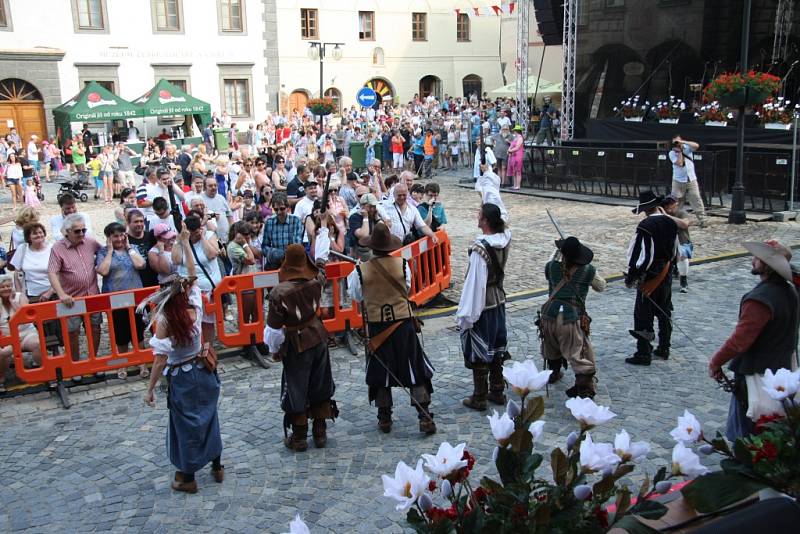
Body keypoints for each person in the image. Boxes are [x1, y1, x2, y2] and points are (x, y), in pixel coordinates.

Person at [141, 230, 224, 494]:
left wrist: (150, 389)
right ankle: (217, 466)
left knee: (186, 425)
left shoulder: (166, 321)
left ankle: (187, 477)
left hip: (184, 378)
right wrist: (185, 243)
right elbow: (192, 272)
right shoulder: (195, 305)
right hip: (204, 371)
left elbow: (159, 359)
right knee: (209, 417)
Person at [347, 222, 437, 435]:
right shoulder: (403, 264)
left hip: (378, 327)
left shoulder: (360, 270)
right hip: (403, 324)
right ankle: (424, 416)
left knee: (381, 372)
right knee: (414, 370)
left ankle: (384, 418)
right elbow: (406, 288)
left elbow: (356, 296)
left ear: (372, 247)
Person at [708, 240, 799, 440]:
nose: (753, 260)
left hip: (758, 375)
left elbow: (740, 341)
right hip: (782, 370)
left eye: (758, 257)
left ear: (767, 264)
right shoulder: (789, 291)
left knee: (749, 435)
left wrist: (716, 361)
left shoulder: (760, 299)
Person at [264, 241, 338, 451]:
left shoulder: (279, 293)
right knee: (320, 381)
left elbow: (273, 330)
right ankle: (320, 432)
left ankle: (299, 438)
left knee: (296, 386)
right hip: (318, 337)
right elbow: (321, 272)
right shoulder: (316, 282)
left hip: (296, 343)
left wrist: (275, 349)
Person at [457, 203, 512, 410]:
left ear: (485, 221)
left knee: (480, 348)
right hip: (498, 299)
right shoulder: (504, 238)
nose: (476, 217)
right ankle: (497, 390)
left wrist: (467, 316)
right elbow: (505, 222)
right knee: (496, 346)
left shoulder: (480, 250)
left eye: (479, 215)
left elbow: (475, 285)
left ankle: (480, 396)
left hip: (484, 303)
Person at [539, 236, 607, 399]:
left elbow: (549, 272)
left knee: (551, 345)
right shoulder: (588, 270)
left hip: (548, 315)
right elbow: (601, 286)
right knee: (578, 353)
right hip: (568, 318)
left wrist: (557, 254)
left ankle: (554, 372)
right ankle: (585, 390)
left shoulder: (551, 266)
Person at [624, 191, 679, 366]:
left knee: (643, 314)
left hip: (650, 276)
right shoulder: (670, 223)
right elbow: (674, 250)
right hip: (666, 273)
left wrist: (633, 274)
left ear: (646, 209)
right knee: (664, 310)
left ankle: (643, 352)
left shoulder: (645, 226)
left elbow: (641, 255)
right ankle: (664, 347)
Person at [47, 214, 102, 366]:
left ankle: (94, 360)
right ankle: (75, 363)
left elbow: (103, 252)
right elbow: (52, 272)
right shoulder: (57, 248)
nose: (81, 234)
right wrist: (61, 294)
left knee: (95, 328)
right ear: (66, 232)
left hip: (92, 295)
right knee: (72, 332)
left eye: (83, 230)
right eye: (77, 231)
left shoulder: (90, 242)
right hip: (71, 299)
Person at [95, 222, 148, 380]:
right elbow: (103, 271)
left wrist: (129, 248)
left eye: (121, 235)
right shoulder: (103, 253)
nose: (119, 239)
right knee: (121, 334)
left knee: (138, 333)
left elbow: (141, 264)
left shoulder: (132, 250)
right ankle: (123, 363)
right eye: (115, 236)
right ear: (109, 238)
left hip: (135, 298)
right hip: (115, 299)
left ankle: (142, 362)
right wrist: (110, 252)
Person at [172, 215, 221, 343]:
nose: (194, 236)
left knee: (207, 322)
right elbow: (176, 260)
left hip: (207, 289)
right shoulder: (181, 240)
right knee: (190, 321)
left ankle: (207, 348)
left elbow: (212, 254)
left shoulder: (209, 235)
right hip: (187, 289)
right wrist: (181, 239)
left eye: (196, 232)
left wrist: (203, 237)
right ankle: (193, 348)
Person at [0, 274, 43, 393]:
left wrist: (12, 302)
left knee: (37, 343)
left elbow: (27, 316)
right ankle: (1, 379)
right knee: (3, 352)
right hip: (7, 337)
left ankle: (43, 371)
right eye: (2, 287)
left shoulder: (20, 296)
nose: (6, 289)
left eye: (8, 286)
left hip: (26, 333)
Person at [669, 135, 706, 226]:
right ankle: (676, 219)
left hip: (691, 179)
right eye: (675, 142)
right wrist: (680, 151)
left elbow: (696, 146)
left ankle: (702, 220)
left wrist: (683, 142)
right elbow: (680, 163)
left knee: (696, 198)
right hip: (678, 181)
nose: (677, 143)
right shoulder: (672, 153)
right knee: (677, 201)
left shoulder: (687, 148)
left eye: (678, 141)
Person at [261, 192, 303, 270]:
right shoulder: (269, 222)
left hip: (291, 263)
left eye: (282, 208)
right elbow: (264, 246)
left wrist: (283, 255)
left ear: (287, 207)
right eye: (276, 209)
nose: (279, 212)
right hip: (274, 263)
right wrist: (274, 253)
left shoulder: (295, 220)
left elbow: (297, 244)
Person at [661, 194, 693, 292]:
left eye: (671, 203)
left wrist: (667, 217)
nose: (669, 206)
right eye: (667, 204)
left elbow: (684, 224)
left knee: (682, 256)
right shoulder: (662, 214)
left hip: (682, 242)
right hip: (668, 242)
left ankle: (683, 280)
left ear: (676, 204)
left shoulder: (682, 213)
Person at [125, 210, 159, 288]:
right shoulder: (125, 240)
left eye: (141, 221)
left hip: (155, 281)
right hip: (136, 284)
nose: (139, 224)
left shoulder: (151, 236)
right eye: (136, 222)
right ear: (128, 222)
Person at [506, 125, 524, 190]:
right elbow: (512, 145)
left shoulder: (520, 138)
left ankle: (518, 185)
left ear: (516, 131)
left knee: (518, 170)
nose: (514, 132)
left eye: (514, 131)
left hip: (518, 155)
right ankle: (515, 185)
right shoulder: (515, 138)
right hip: (513, 155)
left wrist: (510, 150)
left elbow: (517, 147)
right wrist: (509, 150)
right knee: (514, 171)